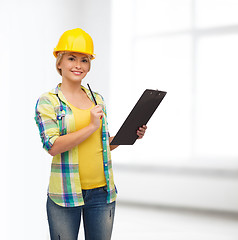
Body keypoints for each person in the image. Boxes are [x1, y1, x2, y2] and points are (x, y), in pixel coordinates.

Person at [34, 28, 147, 240]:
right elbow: (52, 146)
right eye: (71, 58)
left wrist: (130, 135)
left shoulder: (98, 99)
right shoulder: (48, 101)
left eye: (84, 60)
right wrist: (90, 127)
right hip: (65, 195)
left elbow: (102, 144)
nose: (78, 65)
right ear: (59, 62)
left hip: (102, 193)